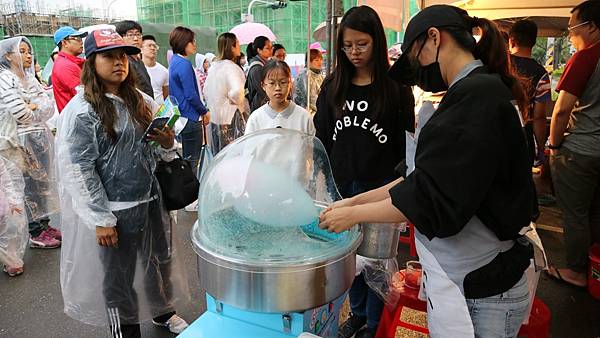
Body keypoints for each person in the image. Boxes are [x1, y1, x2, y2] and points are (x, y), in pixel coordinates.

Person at [320, 5, 534, 338]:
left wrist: (352, 215)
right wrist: (351, 204)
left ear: (434, 38)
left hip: (485, 285)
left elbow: (426, 197)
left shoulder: (477, 99)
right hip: (468, 279)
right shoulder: (467, 95)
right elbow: (413, 179)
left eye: (416, 57)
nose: (419, 73)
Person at [57, 28, 190, 338]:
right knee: (119, 276)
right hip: (116, 211)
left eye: (123, 57)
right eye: (109, 57)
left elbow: (159, 148)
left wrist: (168, 140)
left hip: (150, 202)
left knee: (158, 262)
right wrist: (101, 219)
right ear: (91, 61)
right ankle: (125, 330)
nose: (119, 63)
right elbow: (79, 170)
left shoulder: (139, 100)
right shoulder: (82, 111)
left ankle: (162, 311)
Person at [313, 6, 415, 338]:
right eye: (347, 46)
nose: (354, 53)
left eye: (362, 44)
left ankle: (373, 324)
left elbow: (406, 141)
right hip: (342, 186)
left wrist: (399, 185)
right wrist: (322, 179)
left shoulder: (395, 87)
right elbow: (323, 137)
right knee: (347, 259)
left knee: (377, 262)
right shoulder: (334, 85)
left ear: (377, 43)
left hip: (381, 188)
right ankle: (356, 315)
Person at [547, 0, 600, 289]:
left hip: (580, 151)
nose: (569, 36)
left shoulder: (586, 57)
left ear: (591, 26)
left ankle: (578, 272)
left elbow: (562, 110)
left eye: (572, 28)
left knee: (575, 213)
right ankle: (594, 269)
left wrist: (554, 147)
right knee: (595, 211)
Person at [0, 37, 61, 250]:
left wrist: (33, 105)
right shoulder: (5, 79)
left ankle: (44, 224)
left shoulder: (30, 78)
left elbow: (49, 107)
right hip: (17, 143)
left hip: (38, 139)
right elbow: (20, 113)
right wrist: (34, 107)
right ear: (8, 56)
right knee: (27, 188)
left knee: (42, 184)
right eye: (22, 51)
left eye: (29, 51)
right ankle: (34, 232)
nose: (28, 55)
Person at [509, 20, 552, 167]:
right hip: (523, 138)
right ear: (533, 42)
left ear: (512, 40)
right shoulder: (541, 73)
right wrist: (540, 148)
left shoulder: (498, 64)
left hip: (493, 132)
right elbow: (539, 117)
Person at [169, 26, 210, 173]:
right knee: (193, 161)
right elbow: (191, 95)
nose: (194, 44)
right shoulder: (184, 64)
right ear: (182, 42)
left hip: (182, 117)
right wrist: (204, 111)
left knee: (187, 159)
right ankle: (192, 192)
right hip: (191, 117)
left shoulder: (174, 61)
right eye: (191, 41)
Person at [204, 32, 248, 154]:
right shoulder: (232, 68)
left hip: (215, 118)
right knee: (233, 155)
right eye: (237, 44)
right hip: (231, 117)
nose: (239, 46)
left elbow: (205, 91)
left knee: (219, 155)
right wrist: (229, 97)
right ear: (232, 47)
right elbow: (238, 94)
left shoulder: (213, 67)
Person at [245, 60, 315, 135]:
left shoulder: (304, 116)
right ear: (263, 86)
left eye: (283, 82)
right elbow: (250, 145)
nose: (277, 88)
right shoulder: (255, 118)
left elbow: (310, 144)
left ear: (290, 83)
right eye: (272, 83)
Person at [0, 154, 27, 276]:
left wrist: (13, 201)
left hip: (2, 207)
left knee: (10, 234)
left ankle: (11, 260)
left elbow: (6, 180)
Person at [50, 26, 87, 113]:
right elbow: (84, 96)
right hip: (76, 120)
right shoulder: (65, 66)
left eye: (81, 39)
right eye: (77, 38)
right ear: (65, 43)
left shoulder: (69, 63)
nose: (81, 42)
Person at [116, 20, 154, 97]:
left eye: (138, 34)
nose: (136, 38)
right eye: (130, 35)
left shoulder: (139, 61)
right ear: (120, 38)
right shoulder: (124, 62)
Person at [294, 49, 324, 117]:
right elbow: (310, 98)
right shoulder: (305, 76)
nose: (320, 62)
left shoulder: (319, 75)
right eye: (316, 60)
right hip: (306, 112)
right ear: (309, 62)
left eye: (321, 59)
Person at [246, 36, 273, 112]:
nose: (271, 50)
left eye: (271, 47)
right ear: (259, 50)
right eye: (267, 48)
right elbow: (262, 91)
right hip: (260, 106)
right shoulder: (257, 67)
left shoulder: (265, 64)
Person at [141, 35, 169, 104]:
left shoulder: (164, 71)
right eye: (149, 46)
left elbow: (165, 94)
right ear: (141, 49)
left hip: (160, 111)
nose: (152, 48)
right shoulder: (136, 69)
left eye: (154, 46)